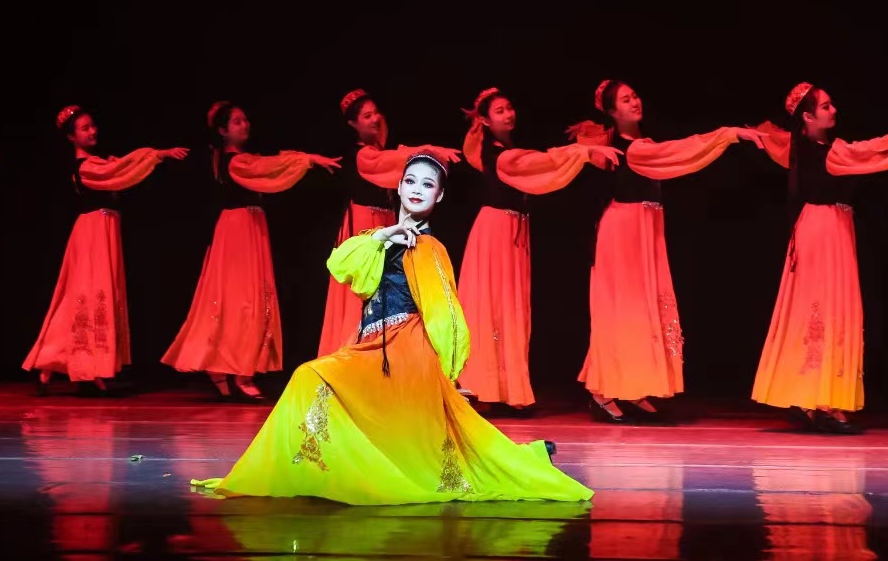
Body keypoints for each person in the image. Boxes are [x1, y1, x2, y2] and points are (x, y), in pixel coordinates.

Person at [191, 153, 592, 505]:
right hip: (373, 347)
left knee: (312, 378)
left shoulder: (429, 247)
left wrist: (449, 372)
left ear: (440, 197)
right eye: (411, 181)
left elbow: (446, 313)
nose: (417, 189)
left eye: (428, 185)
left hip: (408, 349)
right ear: (398, 188)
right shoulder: (377, 240)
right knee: (318, 383)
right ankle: (318, 471)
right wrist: (384, 235)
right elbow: (340, 264)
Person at [750, 82, 888, 433]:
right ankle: (820, 402)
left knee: (823, 308)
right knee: (821, 307)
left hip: (828, 227)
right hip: (822, 229)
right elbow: (876, 149)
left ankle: (811, 399)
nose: (833, 109)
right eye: (825, 106)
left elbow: (872, 149)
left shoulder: (815, 148)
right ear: (807, 117)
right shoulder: (821, 151)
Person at [568, 79, 764, 422]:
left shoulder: (642, 145)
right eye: (625, 100)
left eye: (635, 96)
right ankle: (602, 392)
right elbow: (684, 150)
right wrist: (727, 135)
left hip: (645, 228)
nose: (635, 102)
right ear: (612, 112)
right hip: (624, 231)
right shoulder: (630, 150)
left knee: (644, 310)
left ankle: (634, 387)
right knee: (623, 310)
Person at [163, 100, 340, 400]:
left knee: (251, 297)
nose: (244, 125)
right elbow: (268, 166)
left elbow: (269, 164)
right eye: (237, 121)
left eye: (245, 120)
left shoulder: (243, 160)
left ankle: (236, 370)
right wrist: (306, 159)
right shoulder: (235, 162)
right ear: (223, 131)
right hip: (237, 231)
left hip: (250, 227)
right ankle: (231, 370)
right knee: (238, 298)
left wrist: (305, 160)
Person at [458, 86, 620, 413]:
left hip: (513, 231)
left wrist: (587, 143)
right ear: (486, 121)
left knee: (511, 309)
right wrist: (582, 151)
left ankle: (508, 391)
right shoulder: (499, 155)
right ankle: (481, 389)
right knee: (491, 306)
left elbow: (540, 161)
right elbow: (542, 162)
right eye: (500, 111)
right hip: (494, 232)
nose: (509, 114)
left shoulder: (507, 150)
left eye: (509, 108)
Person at [23, 105, 188, 394]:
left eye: (92, 125)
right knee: (86, 296)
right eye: (84, 128)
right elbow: (120, 170)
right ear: (71, 137)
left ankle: (66, 367)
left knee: (88, 297)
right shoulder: (87, 167)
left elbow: (120, 170)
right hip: (92, 233)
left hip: (104, 230)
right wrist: (157, 155)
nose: (92, 131)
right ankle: (82, 369)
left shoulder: (99, 164)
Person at [317, 88, 459, 357]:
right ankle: (353, 352)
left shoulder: (379, 151)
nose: (374, 119)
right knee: (363, 288)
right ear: (353, 123)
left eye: (376, 114)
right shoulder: (364, 155)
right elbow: (391, 161)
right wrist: (427, 152)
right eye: (366, 116)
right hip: (364, 222)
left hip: (385, 221)